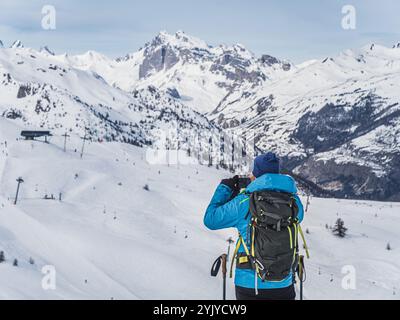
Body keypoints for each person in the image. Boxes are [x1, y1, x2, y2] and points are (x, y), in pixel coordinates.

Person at [204, 152, 304, 300]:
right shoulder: (293, 202)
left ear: (255, 174)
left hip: (250, 284)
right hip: (284, 283)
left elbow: (210, 220)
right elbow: (299, 217)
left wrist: (226, 188)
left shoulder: (245, 202)